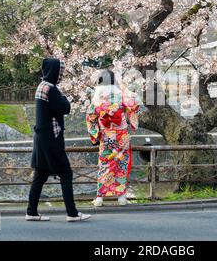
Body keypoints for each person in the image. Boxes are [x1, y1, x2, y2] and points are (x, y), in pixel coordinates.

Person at [26, 58, 91, 222]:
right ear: (54, 71)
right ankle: (72, 213)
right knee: (66, 173)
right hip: (51, 139)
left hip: (41, 138)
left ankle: (31, 212)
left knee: (40, 174)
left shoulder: (41, 86)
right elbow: (66, 108)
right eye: (60, 71)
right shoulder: (51, 89)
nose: (61, 74)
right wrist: (64, 96)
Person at [86, 70, 140, 206]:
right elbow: (134, 105)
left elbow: (90, 117)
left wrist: (95, 135)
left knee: (105, 164)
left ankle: (100, 197)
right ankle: (121, 197)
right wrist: (132, 125)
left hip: (106, 137)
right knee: (121, 164)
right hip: (121, 137)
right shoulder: (121, 96)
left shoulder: (97, 98)